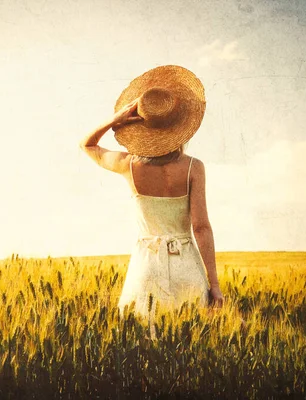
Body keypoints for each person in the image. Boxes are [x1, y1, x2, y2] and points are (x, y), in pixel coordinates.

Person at [79, 65, 225, 326]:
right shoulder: (194, 167)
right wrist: (214, 284)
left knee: (141, 340)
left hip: (146, 268)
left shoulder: (128, 165)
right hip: (187, 266)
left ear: (142, 128)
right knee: (190, 341)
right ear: (180, 126)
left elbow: (87, 145)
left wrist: (115, 120)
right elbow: (201, 227)